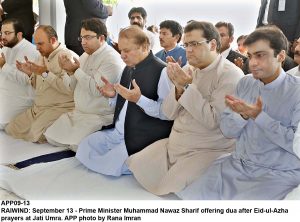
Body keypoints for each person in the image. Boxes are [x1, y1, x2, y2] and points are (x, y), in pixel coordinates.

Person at [178, 26, 300, 200]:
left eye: (260, 55)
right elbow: (227, 130)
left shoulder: (297, 90)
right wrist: (242, 115)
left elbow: (296, 145)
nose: (253, 63)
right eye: (250, 56)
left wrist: (259, 116)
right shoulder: (246, 83)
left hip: (277, 174)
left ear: (280, 56)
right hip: (238, 165)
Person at [126, 21, 244, 195]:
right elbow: (168, 112)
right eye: (186, 45)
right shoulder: (188, 69)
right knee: (135, 163)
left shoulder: (231, 75)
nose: (188, 50)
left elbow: (214, 122)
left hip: (207, 149)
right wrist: (179, 87)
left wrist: (187, 88)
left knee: (174, 188)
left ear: (212, 44)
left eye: (194, 44)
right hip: (177, 144)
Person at [75, 26, 173, 177]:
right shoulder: (127, 68)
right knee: (85, 146)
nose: (122, 55)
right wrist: (113, 95)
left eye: (127, 51)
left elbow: (167, 113)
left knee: (111, 163)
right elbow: (125, 103)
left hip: (143, 135)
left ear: (144, 47)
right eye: (120, 50)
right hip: (119, 132)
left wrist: (139, 100)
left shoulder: (162, 71)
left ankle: (137, 161)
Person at [44, 18, 124, 151]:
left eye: (87, 37)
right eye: (81, 38)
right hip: (79, 113)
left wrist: (75, 70)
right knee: (51, 136)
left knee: (78, 146)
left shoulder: (111, 59)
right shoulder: (85, 56)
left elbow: (96, 90)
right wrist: (67, 71)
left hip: (98, 116)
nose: (83, 42)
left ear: (101, 38)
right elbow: (71, 87)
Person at [5, 25, 76, 143]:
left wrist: (44, 72)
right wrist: (29, 73)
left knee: (34, 135)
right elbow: (39, 85)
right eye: (36, 44)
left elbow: (68, 88)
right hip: (38, 108)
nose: (37, 48)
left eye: (40, 44)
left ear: (53, 40)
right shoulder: (41, 56)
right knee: (11, 128)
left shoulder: (66, 56)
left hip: (57, 108)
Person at [0, 18, 39, 129]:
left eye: (7, 33)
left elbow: (28, 80)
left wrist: (4, 66)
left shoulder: (31, 51)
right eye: (2, 33)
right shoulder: (5, 49)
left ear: (19, 34)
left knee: (2, 123)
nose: (3, 36)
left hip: (22, 98)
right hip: (4, 94)